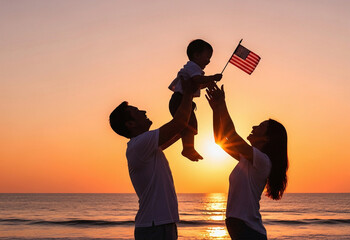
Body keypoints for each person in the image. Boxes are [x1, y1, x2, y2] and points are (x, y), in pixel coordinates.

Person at [109, 77, 197, 240]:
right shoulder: (139, 144)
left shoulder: (146, 146)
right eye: (137, 112)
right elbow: (179, 123)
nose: (144, 112)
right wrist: (188, 94)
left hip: (160, 225)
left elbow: (181, 128)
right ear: (130, 124)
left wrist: (187, 103)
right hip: (154, 227)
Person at [205, 84, 289, 240]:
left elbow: (232, 135)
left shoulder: (263, 162)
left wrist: (222, 103)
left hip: (249, 232)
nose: (253, 127)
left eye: (260, 127)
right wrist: (216, 110)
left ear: (266, 138)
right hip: (241, 230)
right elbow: (220, 140)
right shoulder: (247, 159)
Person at [168, 39, 222, 161]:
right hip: (180, 100)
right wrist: (212, 77)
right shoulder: (193, 67)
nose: (209, 61)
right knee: (189, 124)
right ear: (196, 55)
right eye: (207, 57)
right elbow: (197, 80)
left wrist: (207, 83)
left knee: (189, 124)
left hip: (182, 100)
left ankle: (188, 148)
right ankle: (188, 148)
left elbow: (197, 84)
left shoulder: (194, 69)